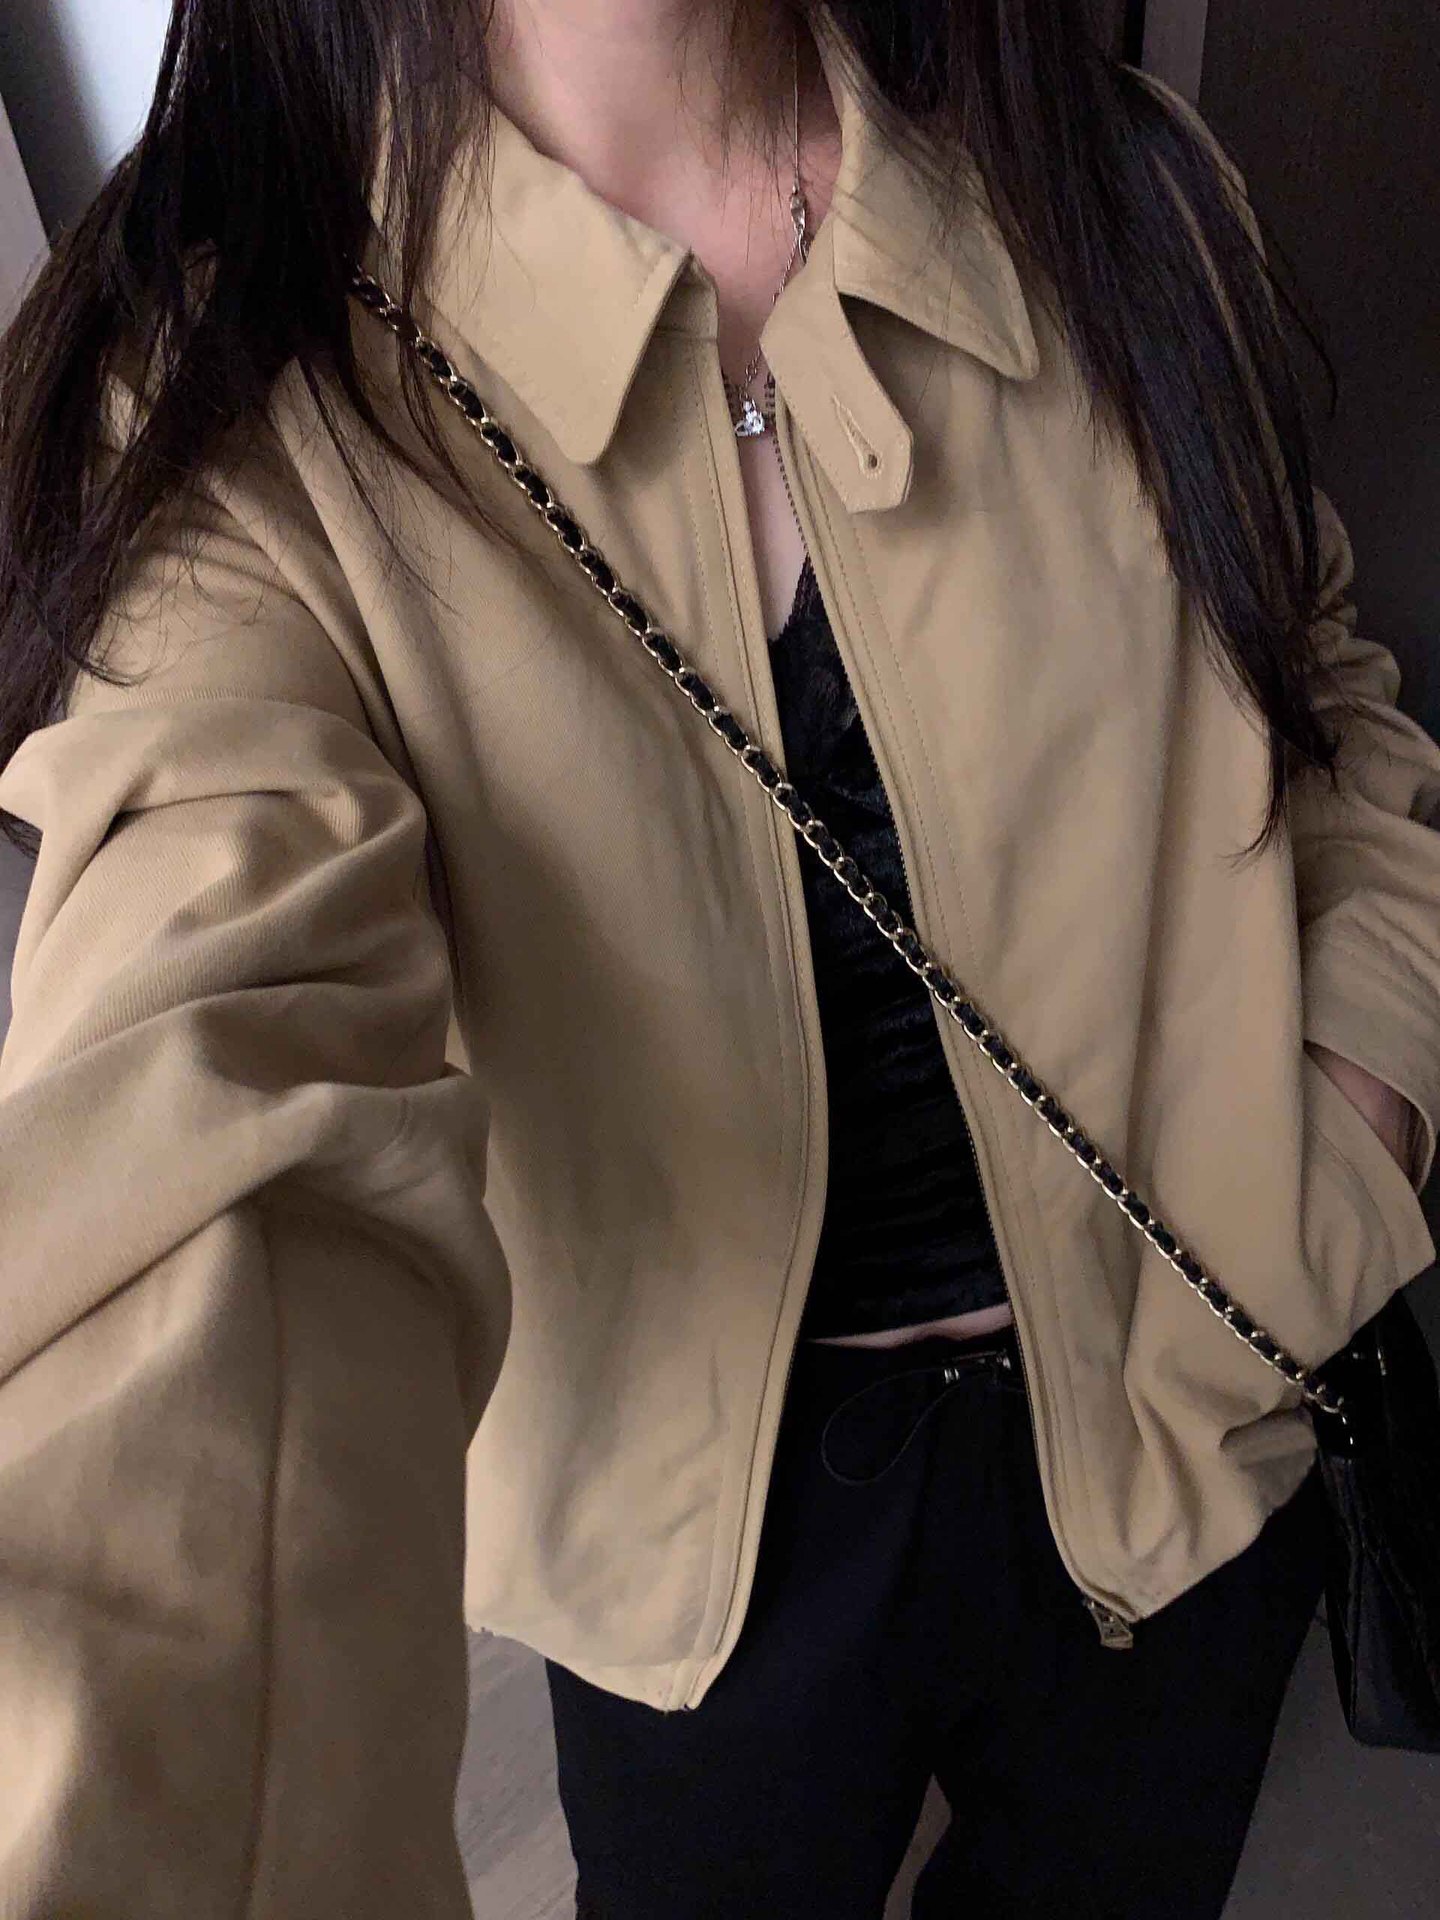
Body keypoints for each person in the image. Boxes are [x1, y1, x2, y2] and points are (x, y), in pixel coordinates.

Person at [1, 2, 1437, 1914]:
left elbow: (1317, 679)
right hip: (695, 1571)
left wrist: (1353, 1117)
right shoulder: (226, 398)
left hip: (1187, 1437)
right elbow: (207, 1069)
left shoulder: (1129, 192)